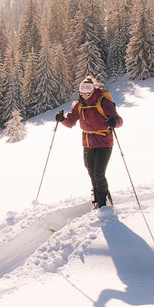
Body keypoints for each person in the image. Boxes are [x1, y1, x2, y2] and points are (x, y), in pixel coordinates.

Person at [55, 76, 123, 209]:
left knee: (99, 174)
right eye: (83, 93)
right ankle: (98, 199)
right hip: (88, 143)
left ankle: (103, 204)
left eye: (88, 93)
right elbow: (70, 122)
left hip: (104, 142)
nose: (85, 96)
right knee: (91, 172)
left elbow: (119, 120)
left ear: (93, 90)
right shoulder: (79, 105)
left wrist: (114, 122)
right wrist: (62, 119)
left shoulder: (103, 102)